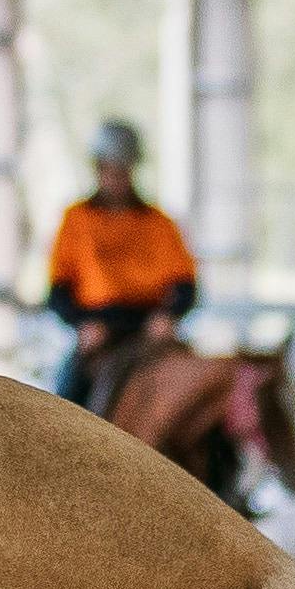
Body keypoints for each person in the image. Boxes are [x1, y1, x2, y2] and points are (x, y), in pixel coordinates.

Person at [43, 118, 197, 416]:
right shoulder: (76, 220)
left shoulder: (159, 223)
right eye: (109, 170)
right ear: (98, 169)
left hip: (149, 326)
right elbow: (58, 291)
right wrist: (83, 325)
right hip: (100, 329)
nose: (116, 179)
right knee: (64, 401)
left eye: (122, 170)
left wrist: (168, 316)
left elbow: (185, 286)